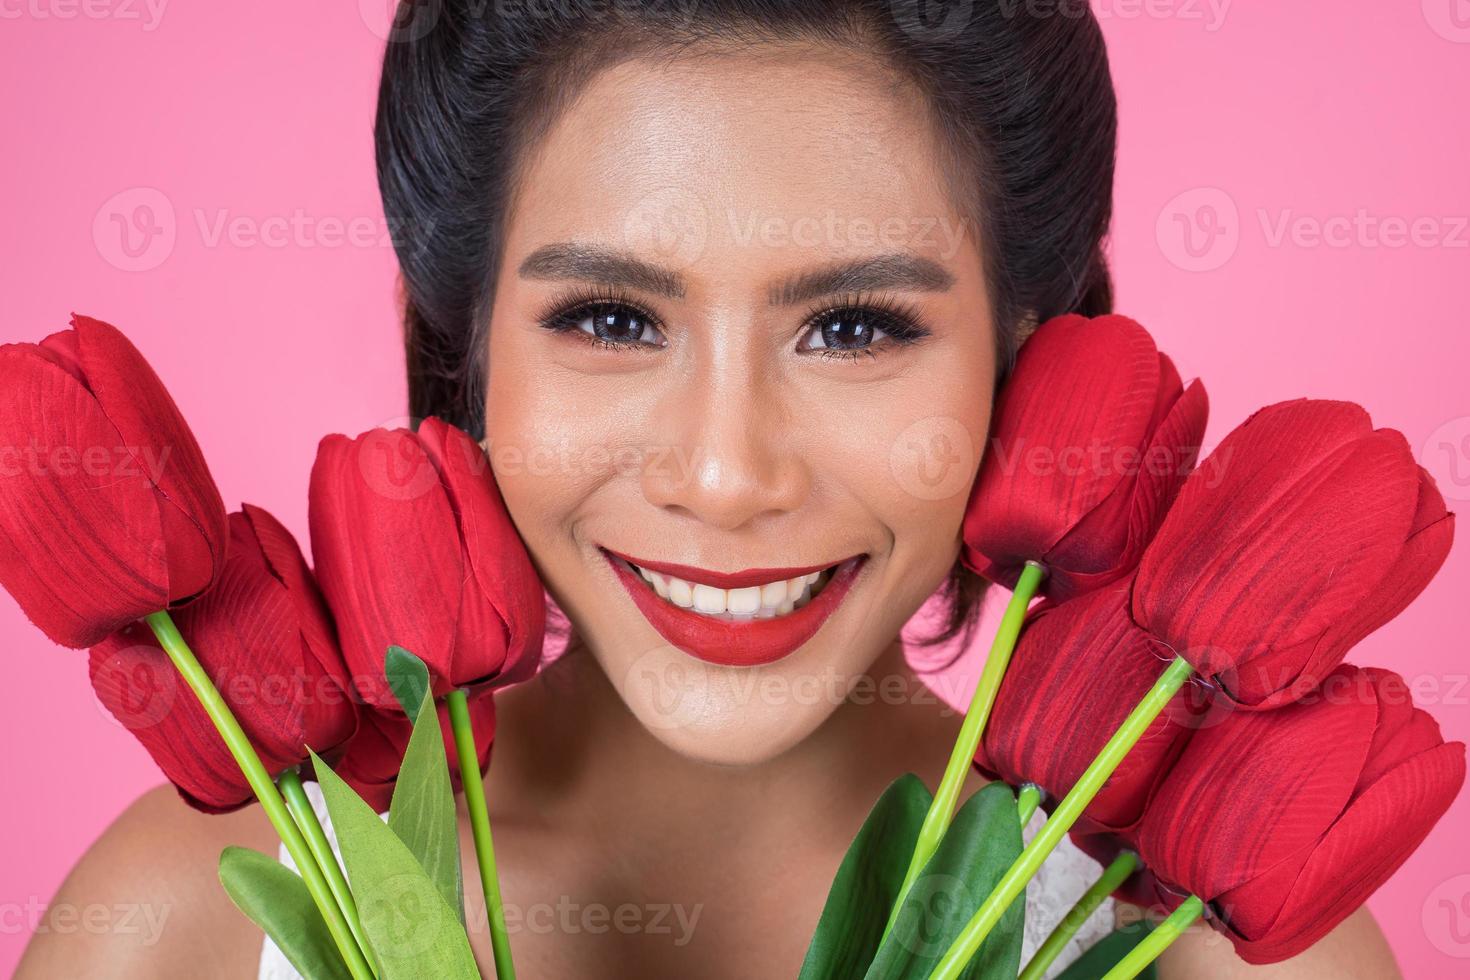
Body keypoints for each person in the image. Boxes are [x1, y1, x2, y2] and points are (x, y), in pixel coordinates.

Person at [17, 2, 1404, 977]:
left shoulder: (1197, 949)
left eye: (855, 327)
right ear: (466, 356)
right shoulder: (184, 925)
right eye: (612, 319)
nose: (726, 475)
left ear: (1028, 368)